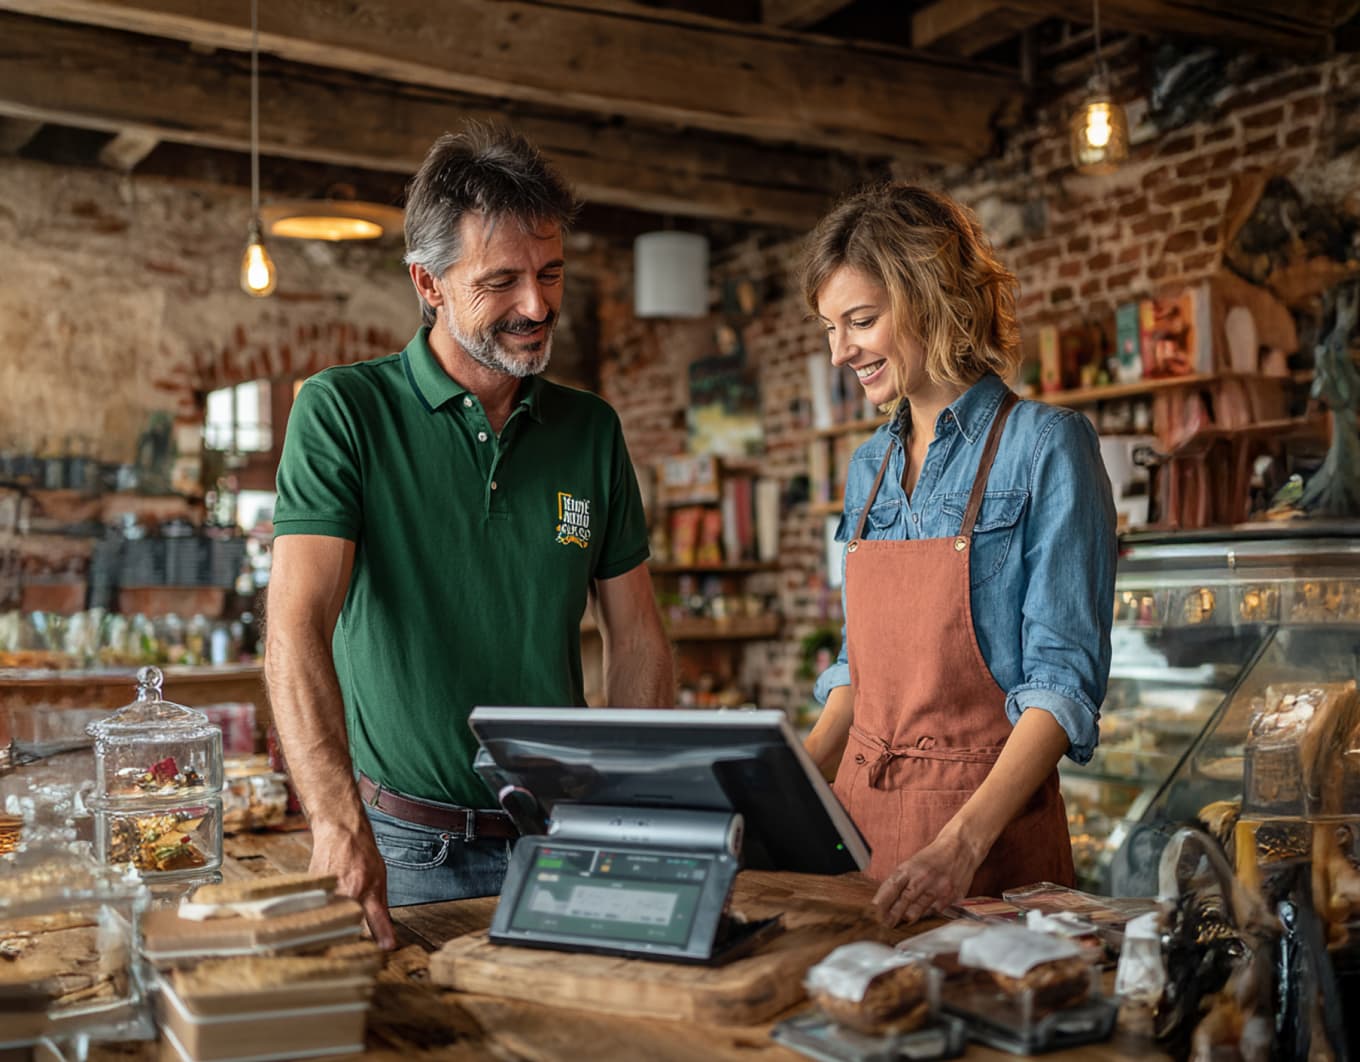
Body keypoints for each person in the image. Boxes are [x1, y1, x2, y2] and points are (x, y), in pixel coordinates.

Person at [265, 124, 674, 947]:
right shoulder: (344, 412)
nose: (537, 305)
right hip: (406, 852)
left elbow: (636, 637)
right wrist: (336, 824)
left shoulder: (590, 430)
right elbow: (293, 627)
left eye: (550, 273)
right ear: (429, 283)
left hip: (559, 840)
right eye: (502, 281)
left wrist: (626, 810)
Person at [800, 183, 1117, 928]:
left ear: (931, 299)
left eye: (861, 322)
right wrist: (789, 788)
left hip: (986, 849)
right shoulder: (867, 466)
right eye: (830, 328)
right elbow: (857, 670)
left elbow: (1061, 686)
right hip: (862, 830)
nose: (841, 352)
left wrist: (960, 844)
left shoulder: (1046, 447)